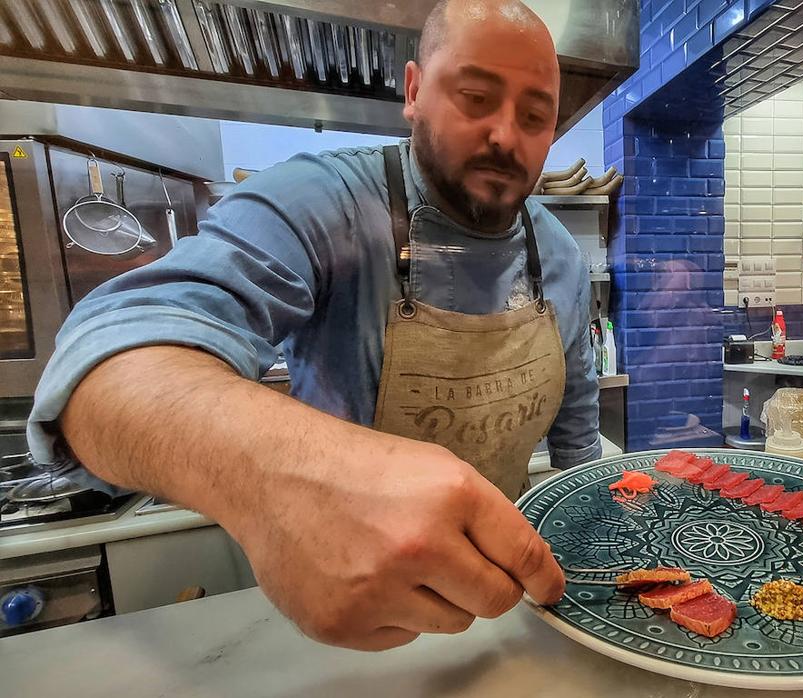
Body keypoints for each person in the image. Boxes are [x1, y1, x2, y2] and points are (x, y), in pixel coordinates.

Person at [26, 0, 598, 651]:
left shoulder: (557, 254)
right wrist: (281, 478)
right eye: (475, 97)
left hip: (506, 602)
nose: (504, 135)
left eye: (534, 116)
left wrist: (595, 544)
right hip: (354, 612)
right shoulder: (325, 204)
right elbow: (109, 358)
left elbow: (577, 413)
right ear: (414, 92)